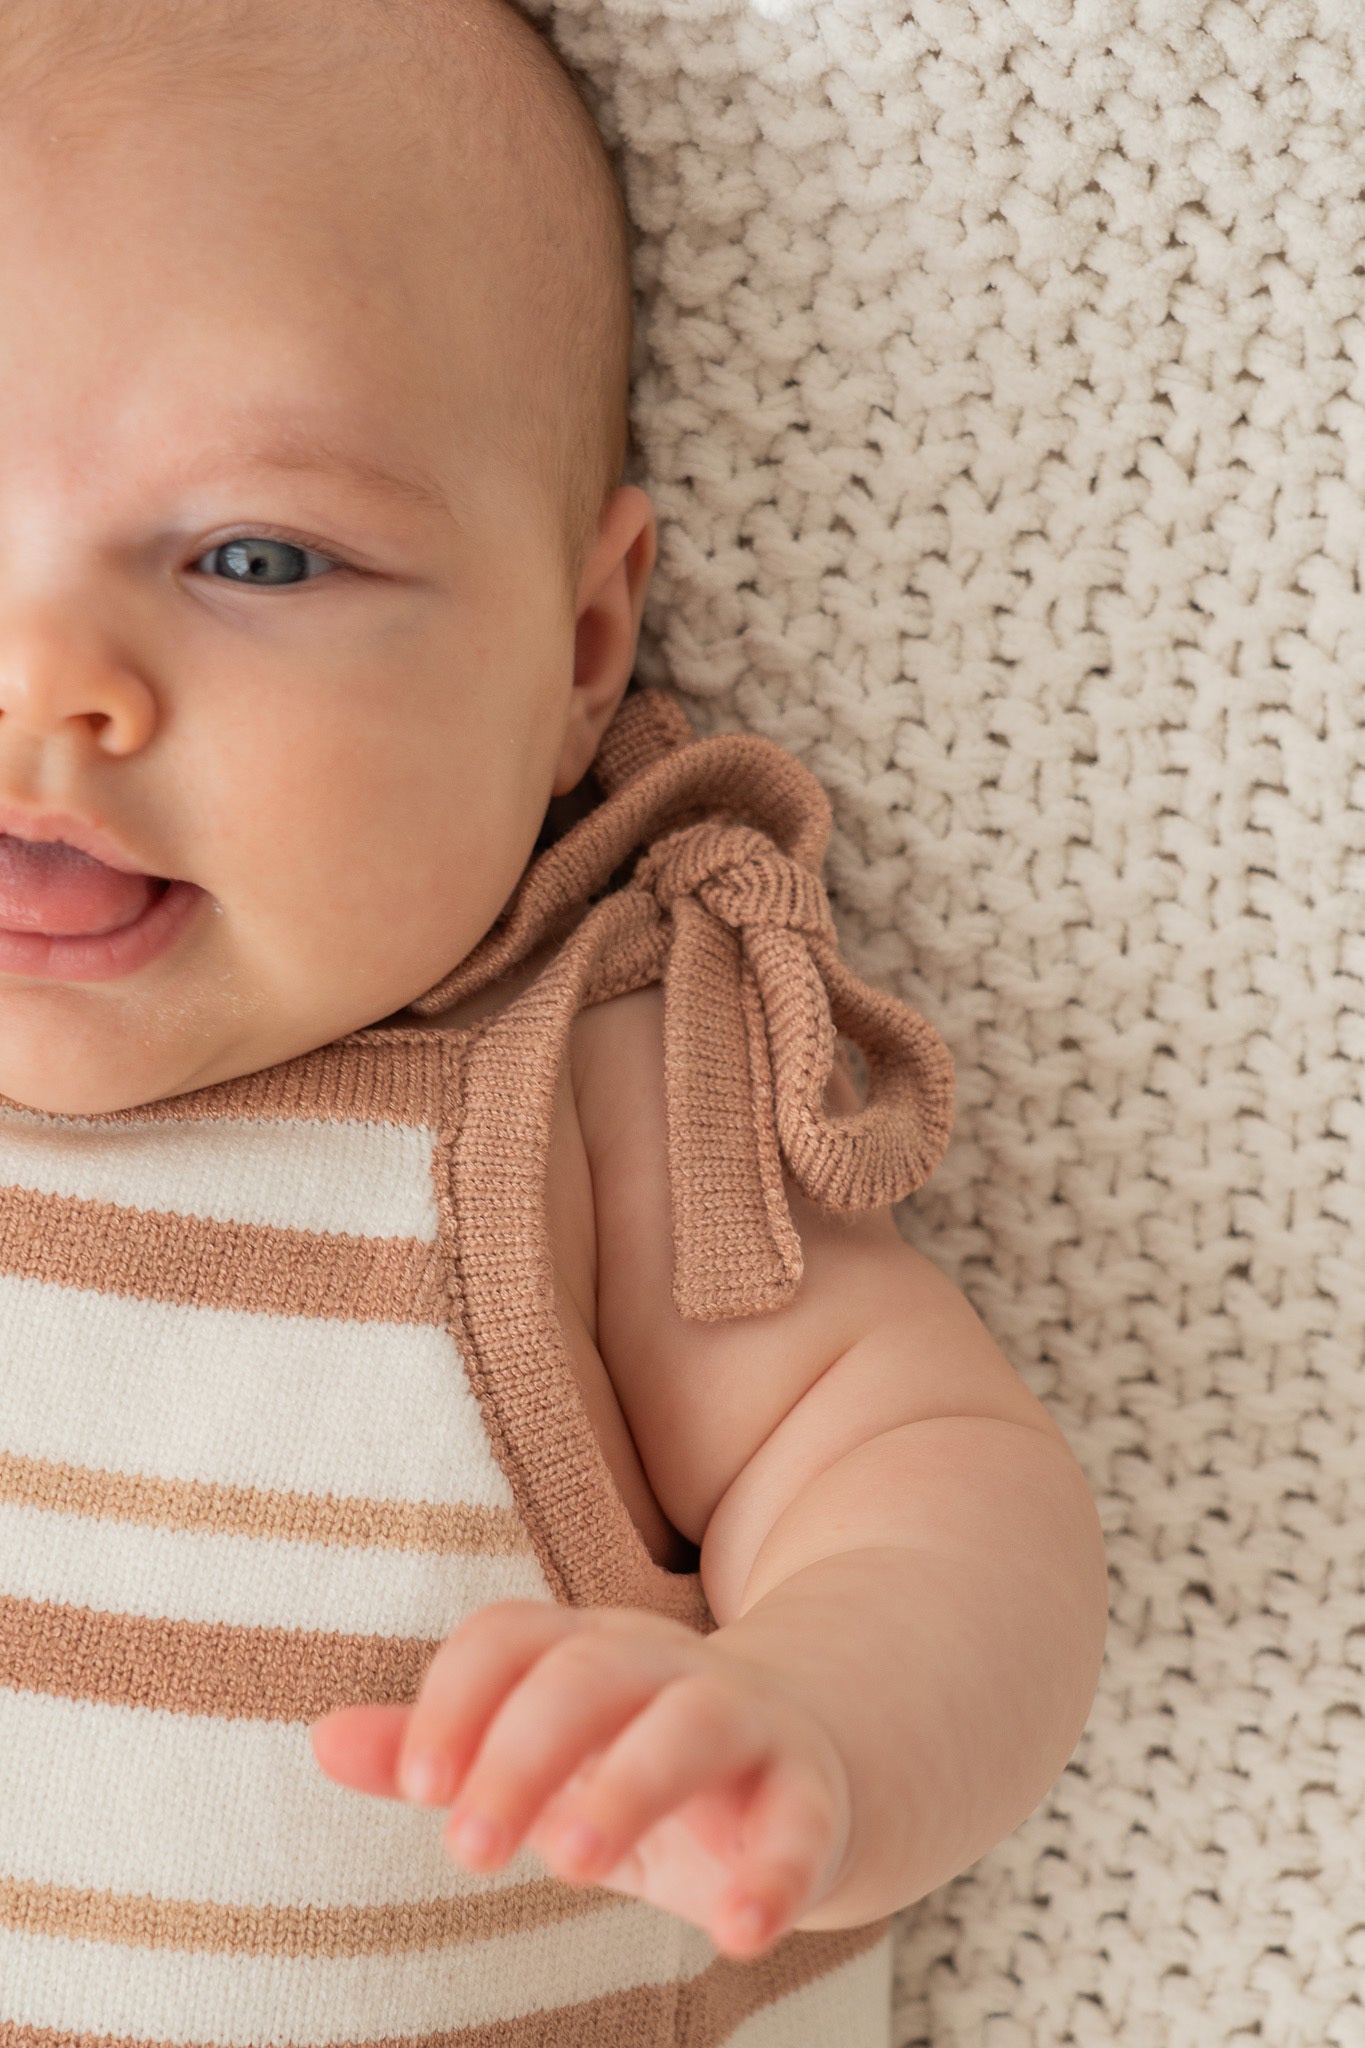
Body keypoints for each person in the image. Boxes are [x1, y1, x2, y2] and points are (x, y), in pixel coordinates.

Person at [0, 1, 1108, 2040]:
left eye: (257, 554)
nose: (47, 681)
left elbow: (937, 1491)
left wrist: (814, 1716)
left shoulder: (568, 1110)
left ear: (581, 645)